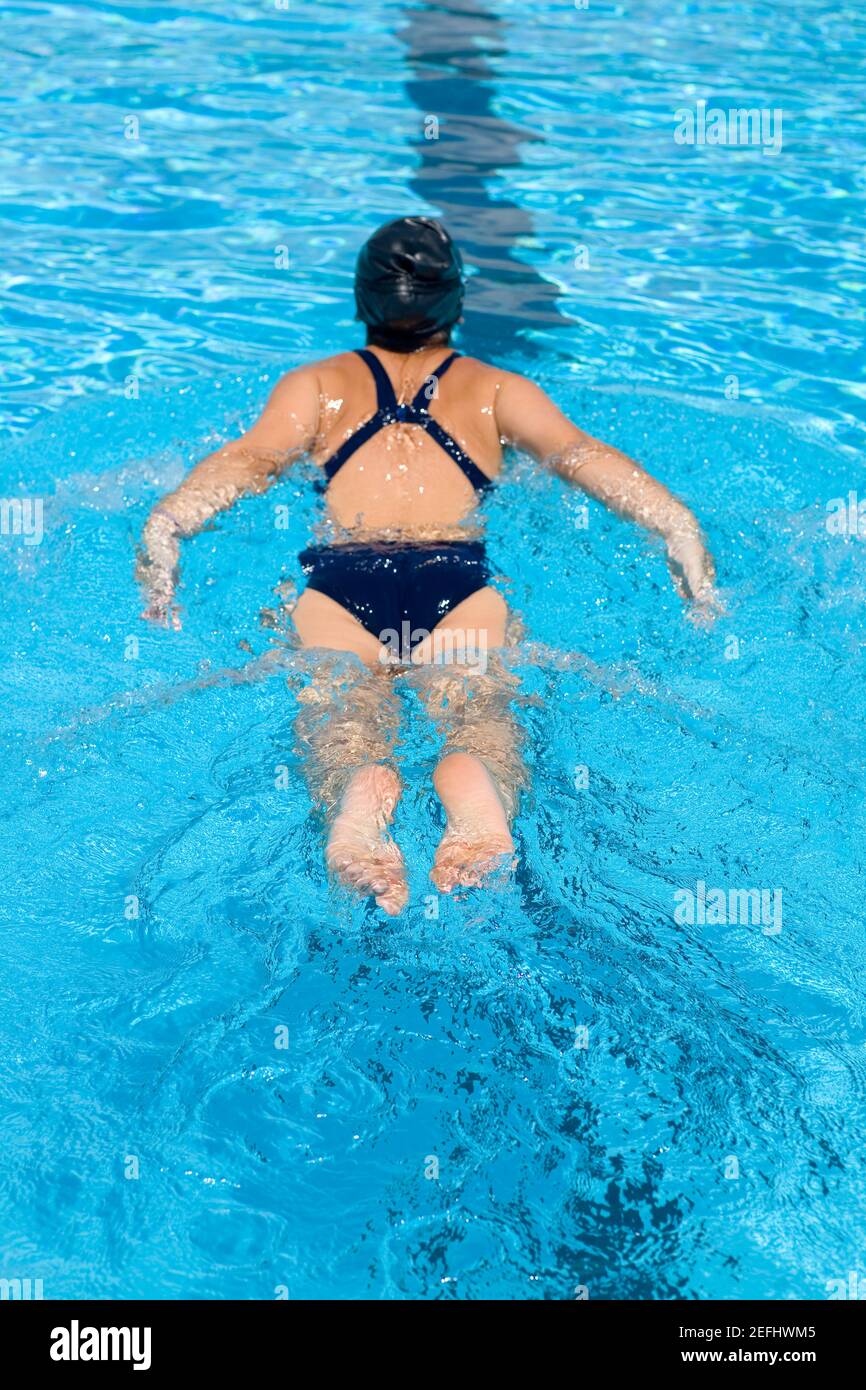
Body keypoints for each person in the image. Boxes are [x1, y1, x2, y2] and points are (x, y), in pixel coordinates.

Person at [138, 216, 719, 915]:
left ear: (361, 302)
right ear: (458, 303)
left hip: (342, 581)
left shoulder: (316, 385)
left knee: (342, 718)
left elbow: (251, 462)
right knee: (479, 714)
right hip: (457, 583)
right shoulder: (495, 390)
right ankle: (476, 800)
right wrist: (676, 523)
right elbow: (580, 457)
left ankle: (358, 800)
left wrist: (169, 522)